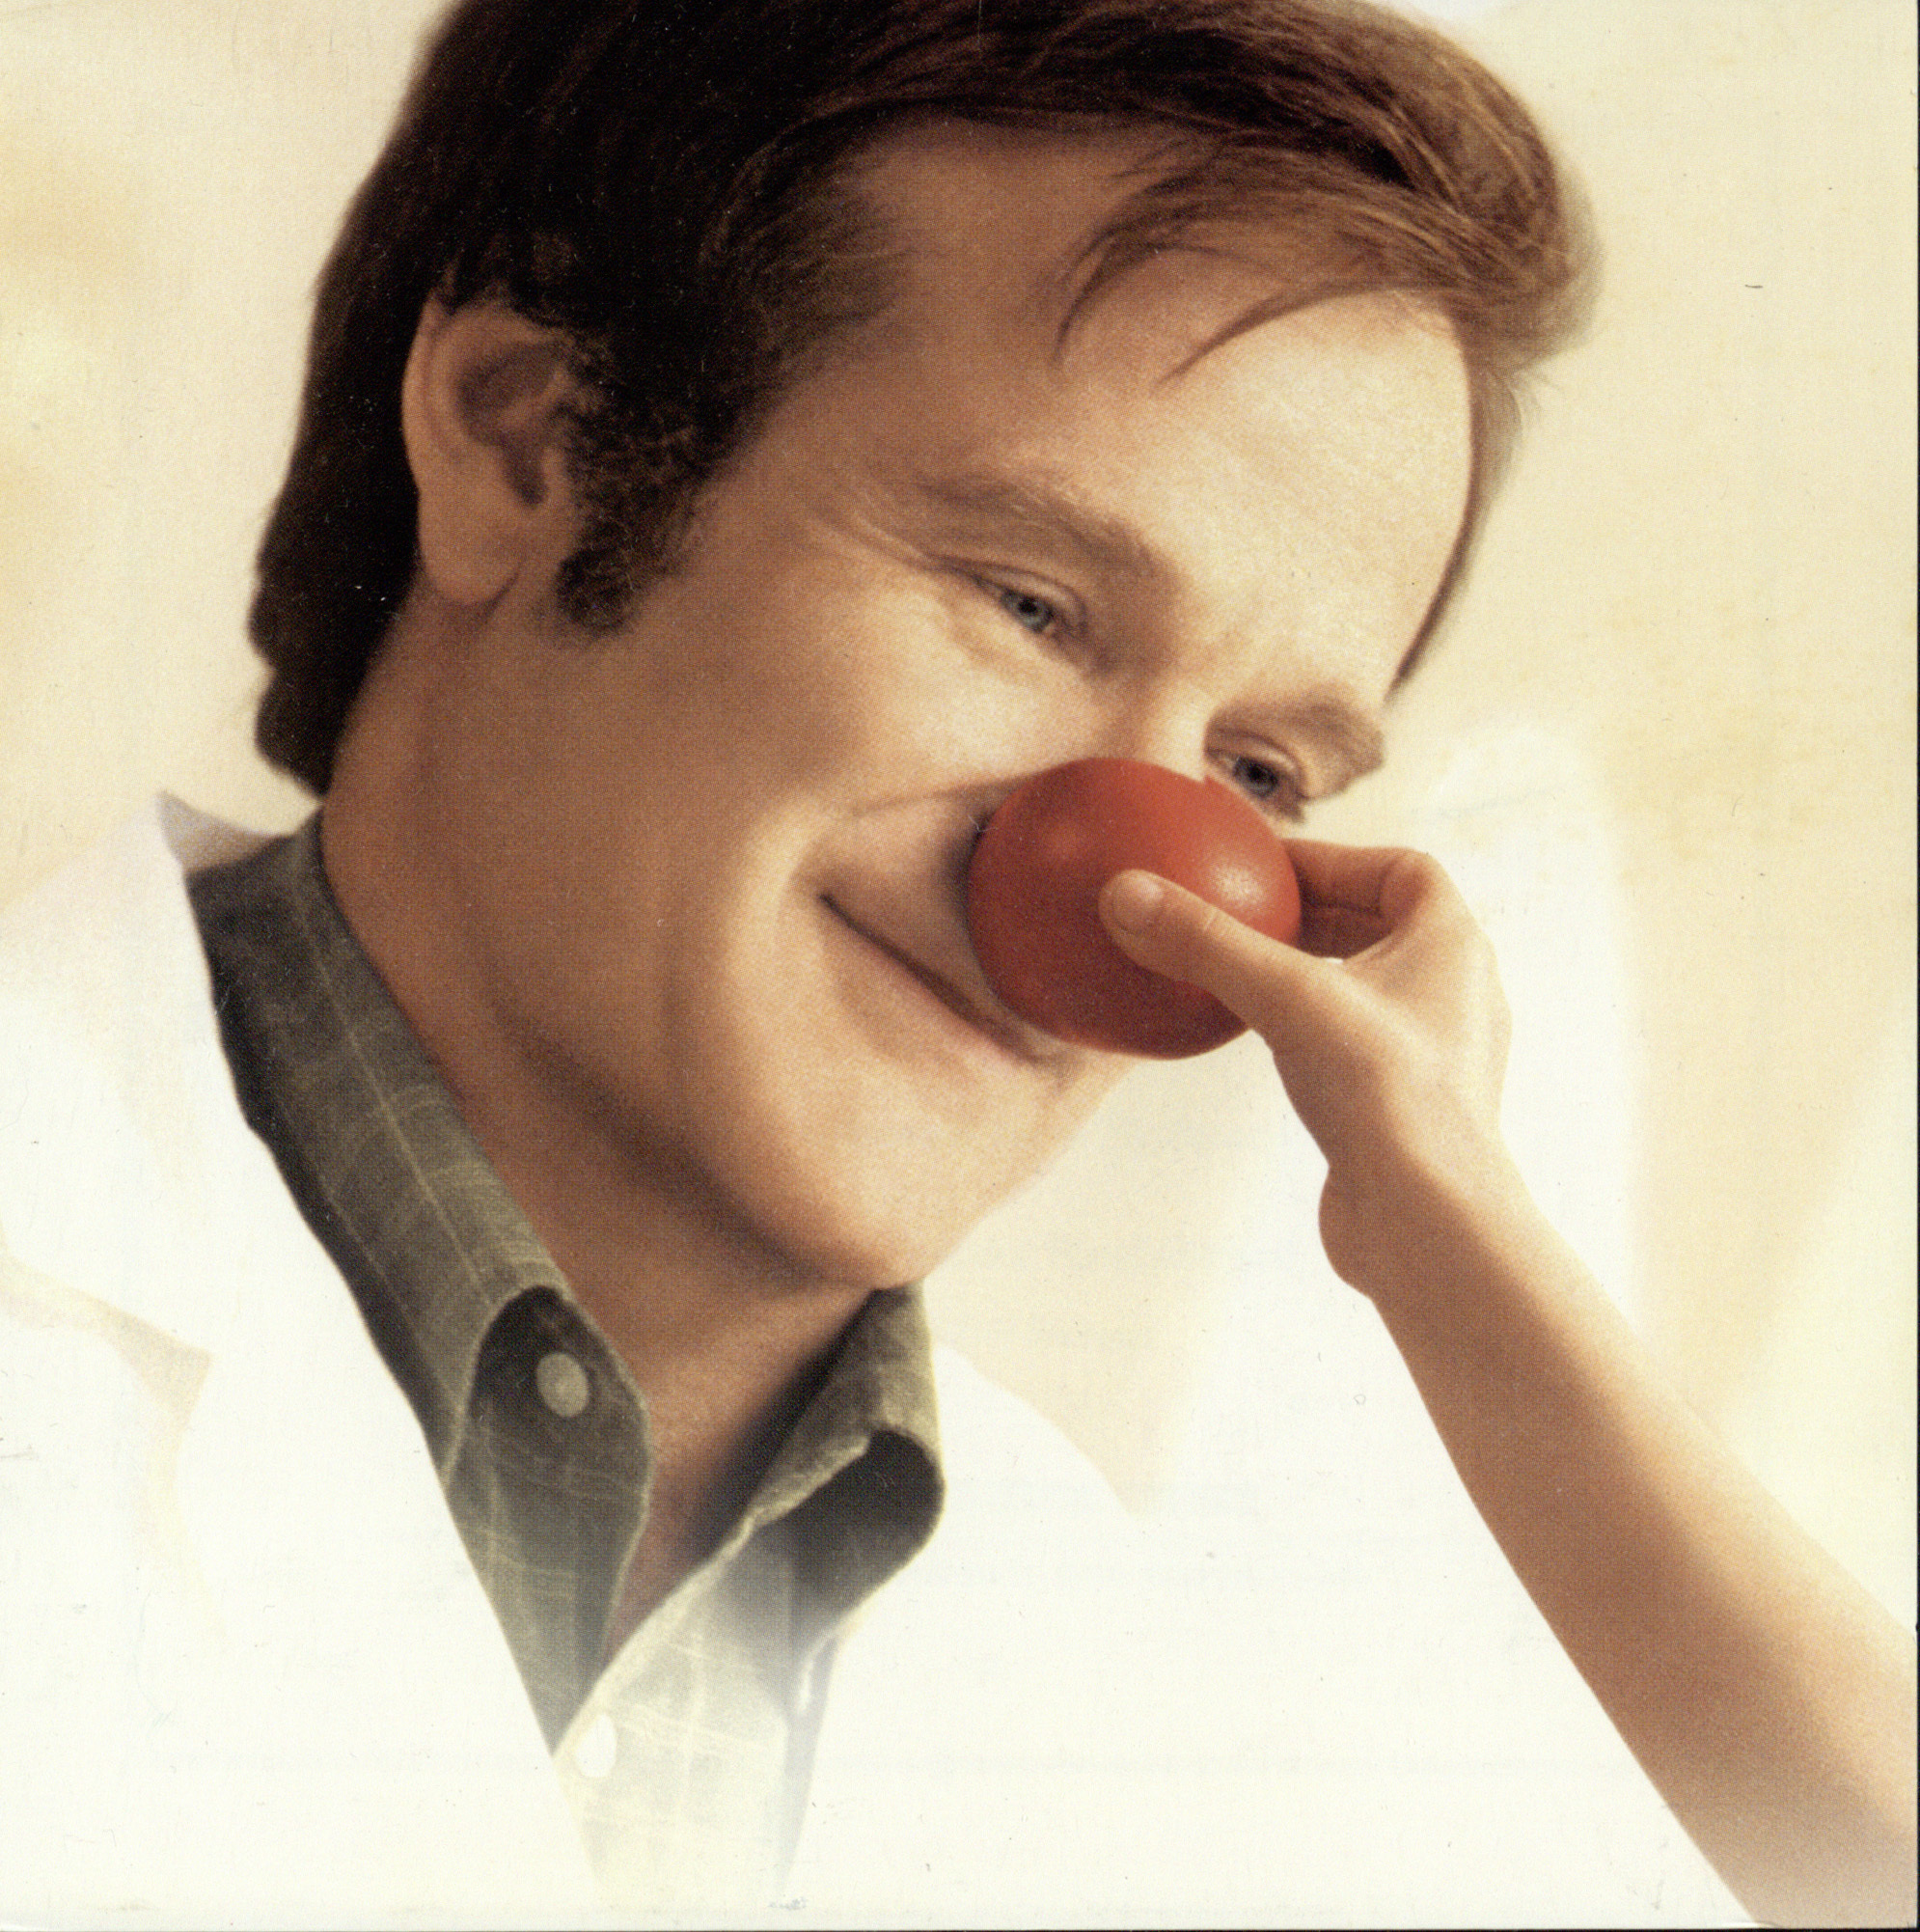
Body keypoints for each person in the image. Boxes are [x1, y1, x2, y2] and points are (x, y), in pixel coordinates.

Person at [0, 0, 1911, 1922]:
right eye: (1028, 601)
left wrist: (1466, 1260)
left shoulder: (1171, 1717)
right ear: (528, 442)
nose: (1128, 884)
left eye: (1257, 773)